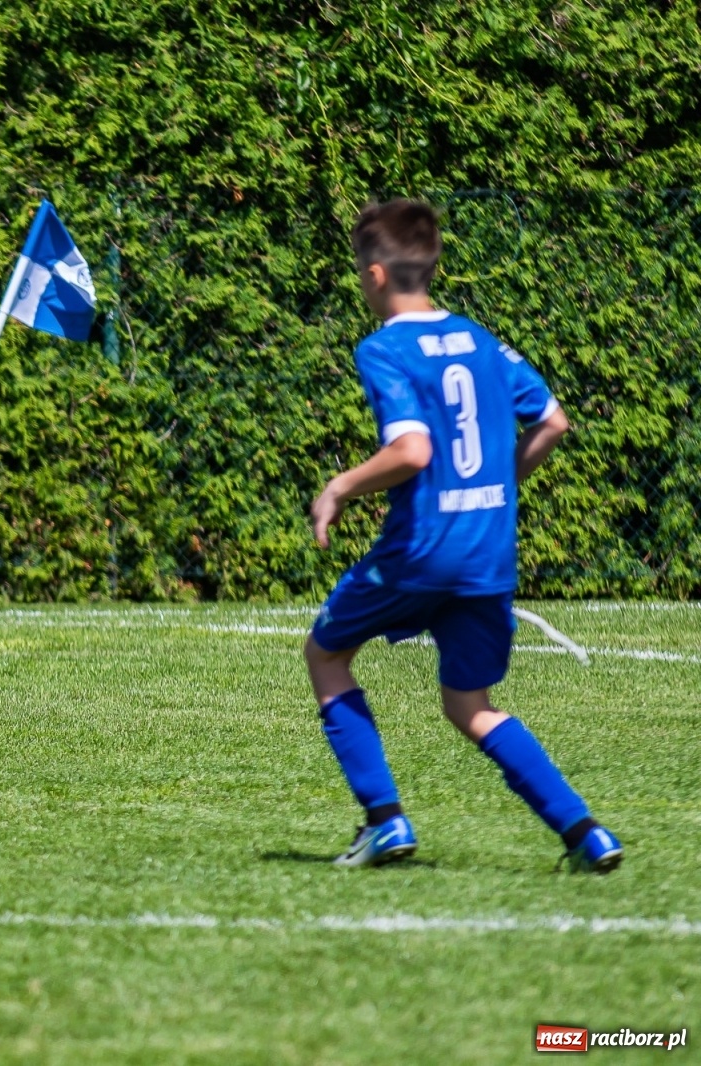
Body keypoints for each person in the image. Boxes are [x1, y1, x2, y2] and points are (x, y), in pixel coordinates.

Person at [306, 199, 622, 873]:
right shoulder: (482, 340)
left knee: (327, 655)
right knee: (470, 705)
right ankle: (586, 833)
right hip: (487, 551)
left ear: (376, 274)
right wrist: (500, 485)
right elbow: (553, 422)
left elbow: (412, 451)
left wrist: (339, 487)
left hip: (422, 549)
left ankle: (385, 821)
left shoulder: (384, 348)